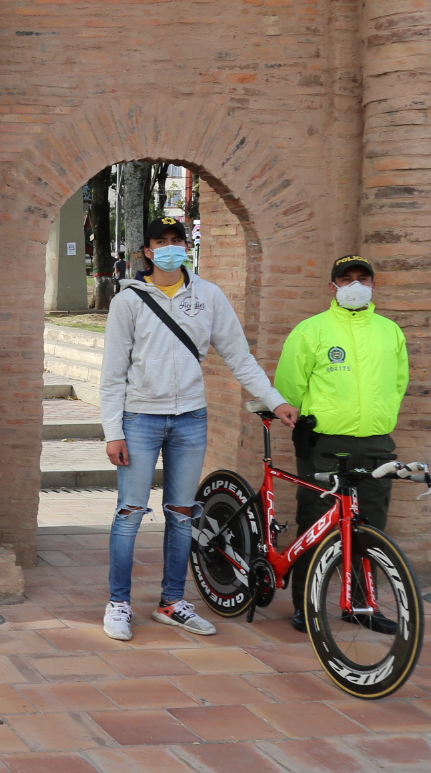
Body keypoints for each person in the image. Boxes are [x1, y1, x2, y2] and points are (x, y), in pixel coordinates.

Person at [100, 218, 297, 642]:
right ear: (148, 251)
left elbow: (239, 356)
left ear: (186, 247)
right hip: (140, 419)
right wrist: (112, 430)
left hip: (190, 417)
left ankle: (173, 602)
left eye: (177, 241)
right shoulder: (129, 300)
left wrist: (276, 400)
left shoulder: (207, 296)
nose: (170, 248)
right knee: (130, 512)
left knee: (182, 514)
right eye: (161, 242)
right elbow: (113, 373)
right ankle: (119, 603)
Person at [273, 253, 409, 631]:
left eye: (362, 279)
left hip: (377, 443)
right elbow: (289, 387)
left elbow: (399, 383)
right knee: (316, 523)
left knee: (371, 528)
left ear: (373, 285)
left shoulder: (389, 331)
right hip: (325, 443)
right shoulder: (310, 330)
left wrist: (379, 417)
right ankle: (307, 604)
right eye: (346, 280)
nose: (355, 286)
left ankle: (362, 606)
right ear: (332, 287)